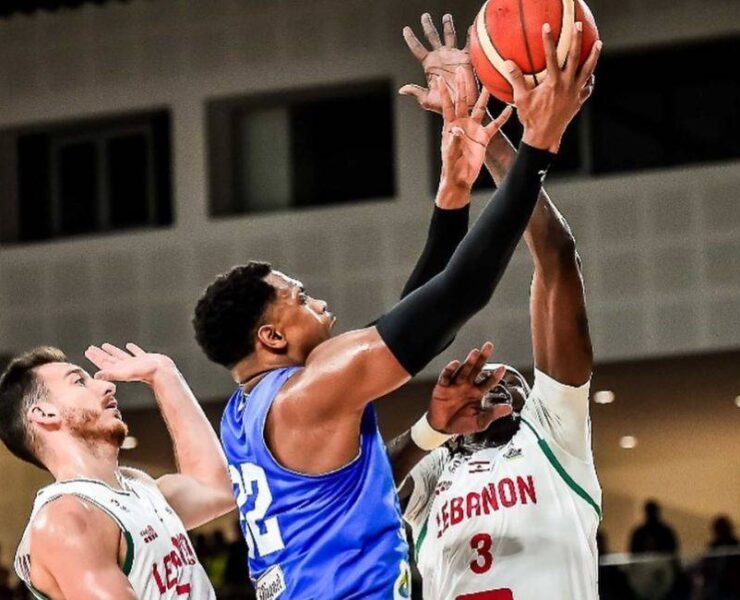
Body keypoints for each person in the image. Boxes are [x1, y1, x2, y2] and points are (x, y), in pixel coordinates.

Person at [192, 22, 597, 596]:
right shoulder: (307, 394)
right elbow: (454, 297)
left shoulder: (248, 413)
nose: (321, 304)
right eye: (301, 298)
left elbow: (418, 314)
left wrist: (453, 195)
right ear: (272, 337)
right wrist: (538, 143)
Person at [397, 13, 603, 599]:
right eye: (487, 378)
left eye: (510, 380)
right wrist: (429, 430)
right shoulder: (433, 471)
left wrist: (489, 133)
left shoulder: (553, 435)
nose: (494, 380)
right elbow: (348, 488)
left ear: (530, 401)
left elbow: (556, 259)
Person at [0, 343, 235, 599]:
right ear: (45, 413)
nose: (107, 386)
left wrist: (164, 374)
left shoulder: (137, 485)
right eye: (79, 382)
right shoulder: (65, 518)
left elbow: (216, 489)